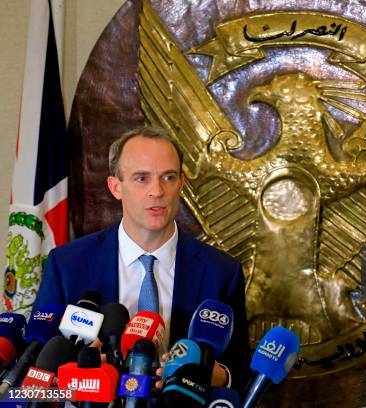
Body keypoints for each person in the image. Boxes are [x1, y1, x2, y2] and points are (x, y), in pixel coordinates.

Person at [32, 126, 250, 391]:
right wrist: (77, 370)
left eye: (168, 177)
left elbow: (239, 369)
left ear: (181, 183)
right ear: (116, 187)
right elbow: (38, 366)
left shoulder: (222, 272)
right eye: (141, 178)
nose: (157, 191)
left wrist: (216, 375)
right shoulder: (67, 265)